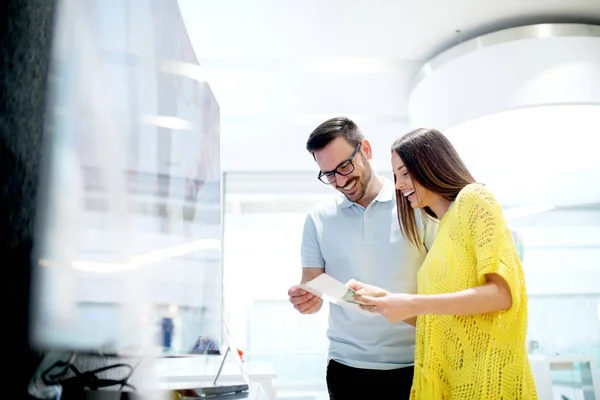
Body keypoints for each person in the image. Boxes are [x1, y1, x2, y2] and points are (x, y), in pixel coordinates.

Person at [350, 128, 538, 399]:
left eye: (405, 173)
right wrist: (387, 302)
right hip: (455, 381)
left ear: (430, 164)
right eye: (395, 176)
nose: (399, 185)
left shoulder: (474, 199)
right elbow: (441, 318)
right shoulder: (440, 231)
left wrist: (411, 303)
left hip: (484, 382)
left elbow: (502, 294)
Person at [287, 117, 436, 399]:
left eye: (344, 166)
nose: (340, 181)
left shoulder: (414, 203)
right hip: (347, 368)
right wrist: (308, 300)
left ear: (365, 149)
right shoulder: (319, 218)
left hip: (417, 362)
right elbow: (313, 283)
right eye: (329, 174)